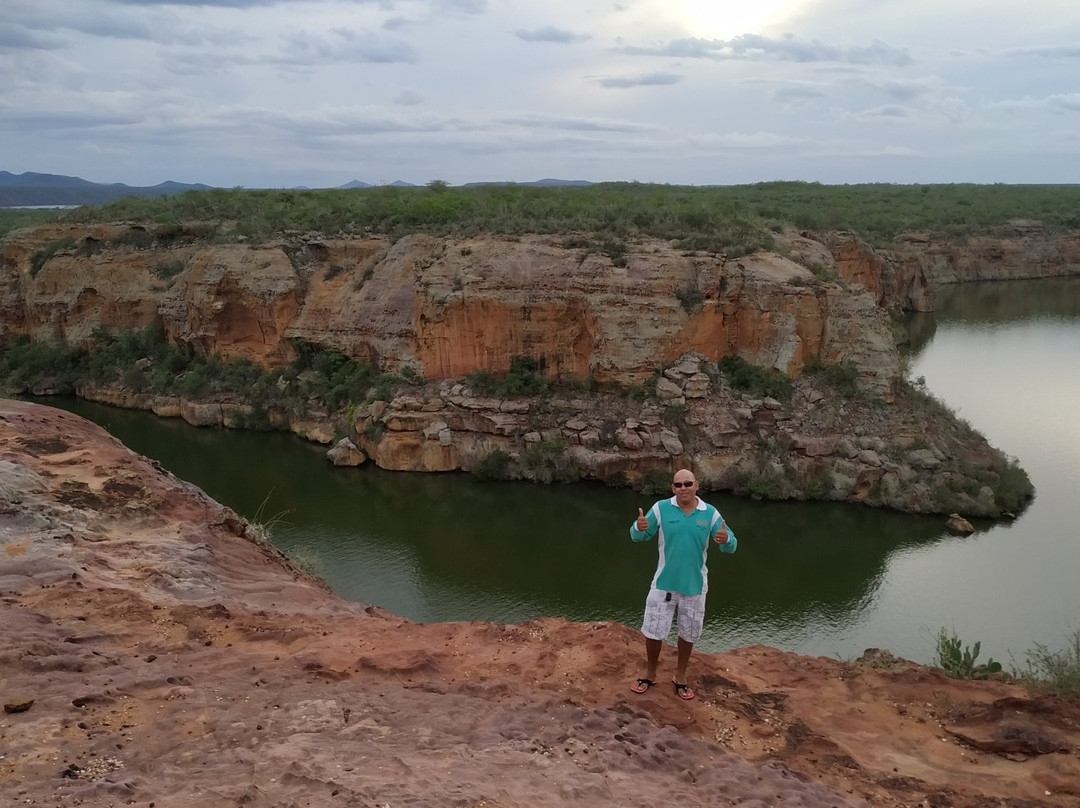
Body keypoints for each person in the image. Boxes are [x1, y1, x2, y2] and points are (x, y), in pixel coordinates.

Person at [629, 468, 737, 700]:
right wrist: (638, 528)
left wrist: (726, 540)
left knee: (688, 633)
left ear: (697, 485)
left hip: (695, 585)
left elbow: (731, 545)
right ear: (673, 488)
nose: (683, 489)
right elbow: (639, 535)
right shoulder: (661, 508)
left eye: (688, 484)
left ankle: (681, 676)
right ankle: (650, 673)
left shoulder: (710, 513)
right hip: (663, 583)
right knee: (653, 631)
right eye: (678, 485)